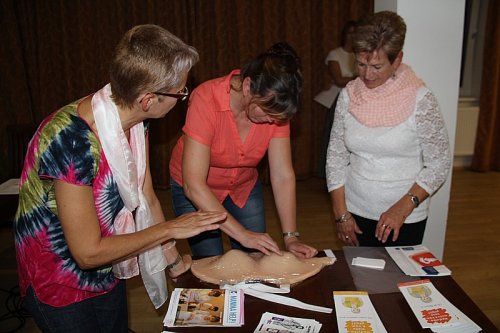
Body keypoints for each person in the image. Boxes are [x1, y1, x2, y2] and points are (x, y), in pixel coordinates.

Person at [13, 25, 227, 333]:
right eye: (180, 91)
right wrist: (172, 228)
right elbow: (86, 254)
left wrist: (174, 260)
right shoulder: (72, 140)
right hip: (58, 279)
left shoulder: (134, 121)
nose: (184, 96)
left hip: (108, 259)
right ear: (148, 99)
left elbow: (146, 196)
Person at [169, 42, 318, 258]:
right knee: (212, 262)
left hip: (242, 186)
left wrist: (291, 237)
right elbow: (194, 185)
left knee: (255, 259)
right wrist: (242, 234)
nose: (271, 121)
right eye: (267, 112)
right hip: (196, 191)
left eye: (277, 118)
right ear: (248, 86)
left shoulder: (275, 109)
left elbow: (282, 175)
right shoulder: (206, 98)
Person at [325, 11, 451, 247]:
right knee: (357, 280)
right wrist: (341, 214)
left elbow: (439, 163)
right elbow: (335, 158)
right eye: (361, 64)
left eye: (376, 66)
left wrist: (402, 209)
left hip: (405, 217)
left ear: (397, 60)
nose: (366, 75)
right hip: (355, 212)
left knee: (397, 283)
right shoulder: (348, 96)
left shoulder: (421, 100)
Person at [315, 21, 357, 177]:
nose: (352, 36)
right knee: (332, 138)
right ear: (344, 34)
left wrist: (352, 78)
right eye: (350, 32)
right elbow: (339, 80)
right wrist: (358, 77)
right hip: (335, 100)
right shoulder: (335, 54)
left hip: (356, 102)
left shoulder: (360, 54)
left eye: (356, 32)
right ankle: (328, 174)